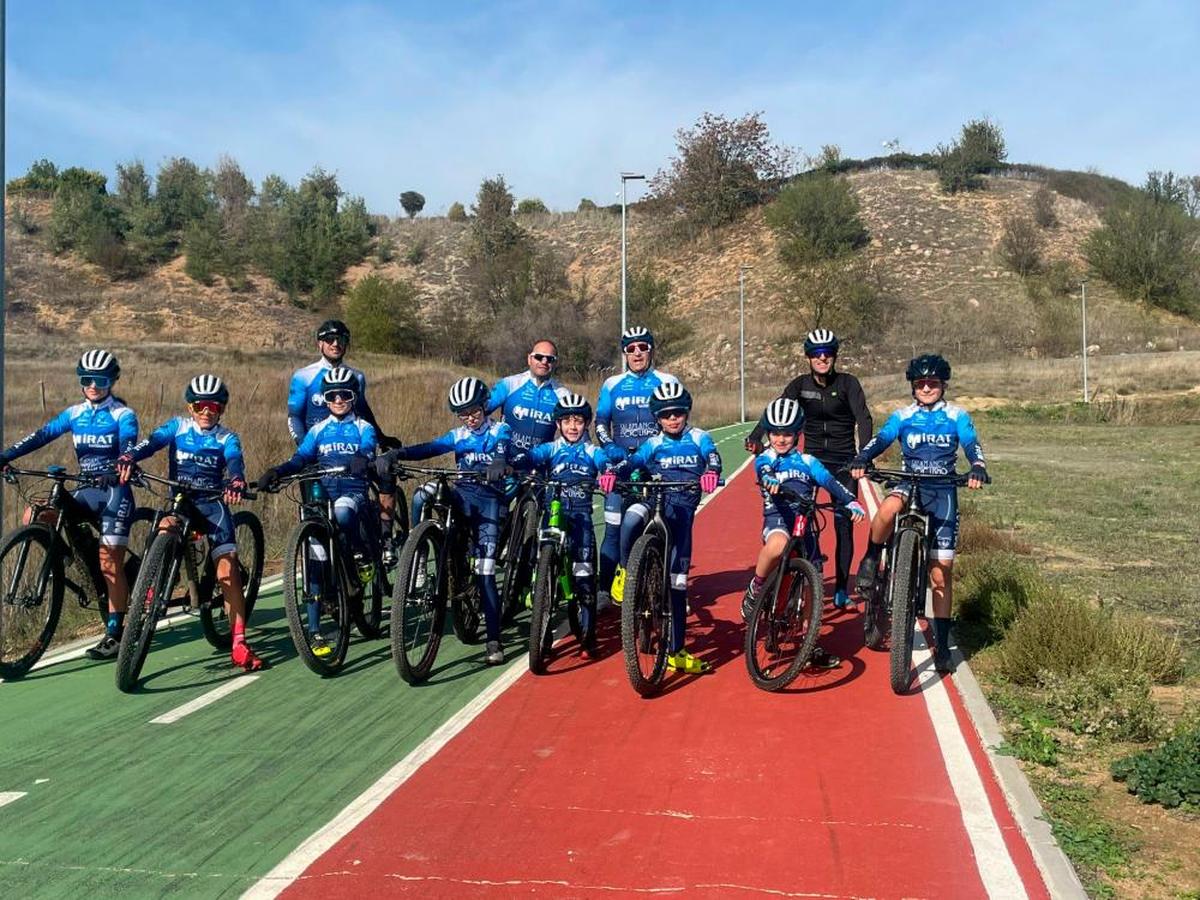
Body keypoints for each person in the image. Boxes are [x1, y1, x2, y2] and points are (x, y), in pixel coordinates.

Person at [850, 354, 988, 673]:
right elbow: (880, 440)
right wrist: (862, 459)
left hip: (942, 492)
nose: (927, 387)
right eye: (921, 383)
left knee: (940, 574)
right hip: (910, 483)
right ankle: (872, 559)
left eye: (933, 383)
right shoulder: (903, 415)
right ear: (913, 387)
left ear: (942, 385)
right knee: (888, 507)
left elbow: (971, 445)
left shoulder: (956, 416)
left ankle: (941, 644)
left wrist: (978, 467)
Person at [117, 375, 265, 672]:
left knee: (228, 569)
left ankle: (239, 643)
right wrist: (130, 456)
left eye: (213, 405)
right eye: (199, 405)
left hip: (212, 506)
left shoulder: (227, 437)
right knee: (164, 526)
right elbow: (152, 443)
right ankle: (150, 585)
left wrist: (235, 480)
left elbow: (235, 461)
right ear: (190, 407)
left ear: (221, 408)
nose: (206, 411)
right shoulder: (177, 426)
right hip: (181, 500)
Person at [0, 350, 138, 660]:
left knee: (108, 562)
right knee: (35, 514)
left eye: (100, 380)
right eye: (86, 379)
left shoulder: (122, 415)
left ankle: (115, 631)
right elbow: (42, 435)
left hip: (115, 494)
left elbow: (129, 445)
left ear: (112, 381)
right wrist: (6, 456)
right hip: (87, 490)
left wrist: (117, 465)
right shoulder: (75, 413)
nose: (93, 385)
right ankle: (61, 558)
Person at [374, 377, 512, 665]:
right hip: (463, 496)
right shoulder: (458, 435)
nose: (470, 418)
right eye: (463, 414)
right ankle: (418, 556)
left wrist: (498, 464)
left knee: (485, 572)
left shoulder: (500, 429)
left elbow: (501, 448)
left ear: (485, 406)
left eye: (474, 411)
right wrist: (397, 454)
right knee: (424, 494)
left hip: (490, 503)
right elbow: (430, 448)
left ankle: (494, 639)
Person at [257, 367, 380, 658]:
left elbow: (368, 448)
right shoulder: (318, 429)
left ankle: (361, 555)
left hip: (352, 492)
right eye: (332, 395)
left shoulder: (364, 427)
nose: (338, 400)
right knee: (315, 558)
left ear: (353, 397)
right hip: (323, 494)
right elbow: (301, 458)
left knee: (343, 512)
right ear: (324, 399)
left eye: (345, 394)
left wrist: (362, 459)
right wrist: (277, 471)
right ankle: (314, 630)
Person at [745, 329, 872, 610]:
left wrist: (863, 456)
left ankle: (840, 589)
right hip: (810, 459)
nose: (822, 358)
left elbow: (863, 419)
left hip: (843, 462)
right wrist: (756, 437)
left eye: (827, 353)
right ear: (808, 357)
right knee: (799, 518)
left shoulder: (849, 384)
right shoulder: (800, 385)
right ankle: (794, 581)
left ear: (835, 355)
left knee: (843, 523)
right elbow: (774, 411)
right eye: (816, 354)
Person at [605, 381, 721, 674]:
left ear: (686, 413)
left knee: (678, 583)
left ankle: (677, 650)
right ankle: (625, 572)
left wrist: (711, 472)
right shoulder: (654, 443)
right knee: (630, 521)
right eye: (666, 414)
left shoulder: (699, 437)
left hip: (683, 511)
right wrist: (613, 474)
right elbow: (634, 463)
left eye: (678, 413)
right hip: (656, 499)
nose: (673, 419)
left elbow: (713, 457)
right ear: (657, 418)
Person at [746, 397, 865, 669]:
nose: (781, 438)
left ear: (798, 433)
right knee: (777, 547)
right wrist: (770, 480)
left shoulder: (809, 461)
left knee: (814, 583)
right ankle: (756, 586)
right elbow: (762, 470)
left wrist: (850, 501)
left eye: (787, 433)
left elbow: (831, 482)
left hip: (806, 523)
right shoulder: (767, 458)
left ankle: (811, 645)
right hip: (778, 519)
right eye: (775, 432)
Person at [510, 393, 617, 657]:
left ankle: (589, 635)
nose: (572, 426)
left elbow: (604, 464)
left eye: (578, 421)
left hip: (581, 520)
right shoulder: (551, 448)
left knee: (584, 578)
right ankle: (542, 633)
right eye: (566, 420)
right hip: (553, 516)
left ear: (586, 424)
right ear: (558, 424)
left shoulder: (593, 451)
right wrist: (513, 464)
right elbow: (530, 457)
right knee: (543, 575)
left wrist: (607, 474)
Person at [288, 319, 401, 563]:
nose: (335, 344)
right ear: (320, 344)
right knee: (316, 519)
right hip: (317, 453)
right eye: (329, 339)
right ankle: (320, 586)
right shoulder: (303, 377)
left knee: (386, 473)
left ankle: (385, 538)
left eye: (341, 339)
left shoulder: (356, 376)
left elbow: (363, 412)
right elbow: (294, 416)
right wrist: (303, 450)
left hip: (353, 451)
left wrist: (381, 438)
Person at [594, 326, 679, 606]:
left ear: (651, 349)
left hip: (656, 466)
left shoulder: (667, 380)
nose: (637, 353)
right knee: (614, 528)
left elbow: (678, 419)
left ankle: (665, 587)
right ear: (625, 353)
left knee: (663, 527)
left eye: (643, 347)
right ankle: (605, 589)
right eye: (631, 348)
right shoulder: (612, 384)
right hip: (621, 466)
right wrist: (610, 448)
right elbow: (601, 422)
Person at [486, 339, 571, 453]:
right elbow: (479, 413)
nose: (544, 362)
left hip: (540, 464)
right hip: (506, 461)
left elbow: (576, 431)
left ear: (555, 363)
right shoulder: (509, 384)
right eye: (539, 357)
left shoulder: (563, 395)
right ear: (529, 359)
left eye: (550, 359)